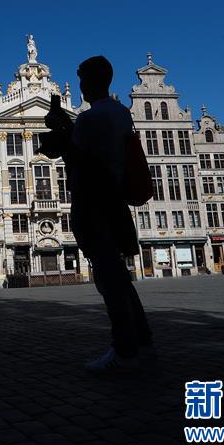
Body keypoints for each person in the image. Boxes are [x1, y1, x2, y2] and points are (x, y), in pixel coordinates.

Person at [39, 55, 154, 373]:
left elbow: (75, 156)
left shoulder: (91, 119)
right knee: (120, 278)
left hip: (93, 202)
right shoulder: (121, 112)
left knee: (109, 280)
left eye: (82, 80)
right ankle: (143, 342)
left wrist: (61, 129)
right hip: (114, 201)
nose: (81, 86)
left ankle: (125, 351)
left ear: (88, 83)